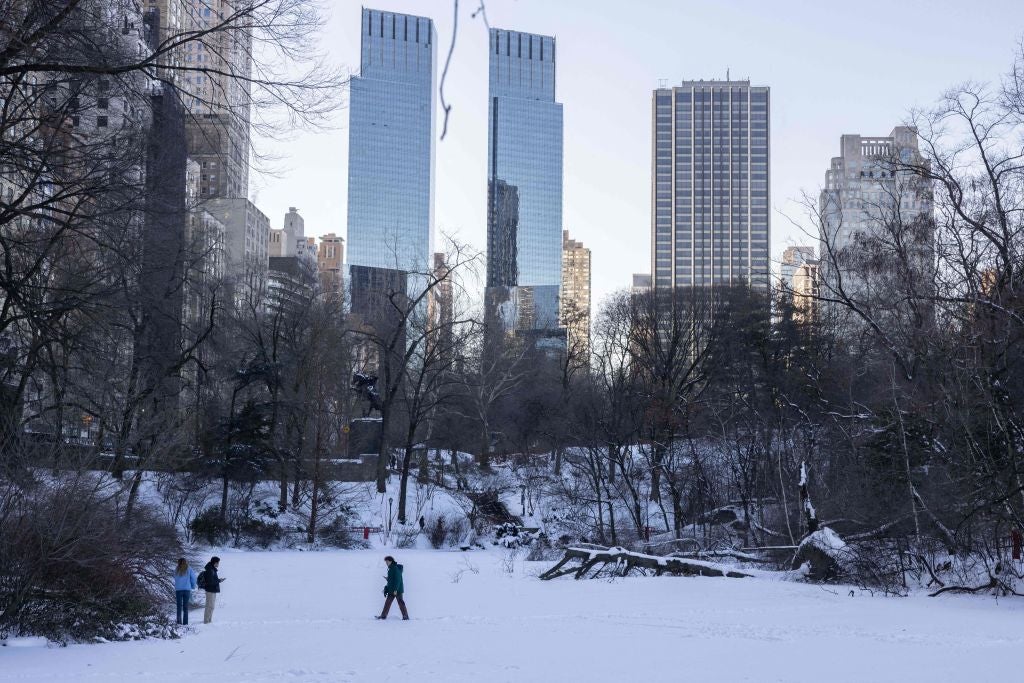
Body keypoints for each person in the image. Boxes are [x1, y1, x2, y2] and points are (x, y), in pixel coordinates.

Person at [375, 555, 409, 620]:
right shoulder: (391, 568)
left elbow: (397, 580)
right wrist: (388, 579)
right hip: (392, 590)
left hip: (397, 590)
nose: (386, 563)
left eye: (387, 562)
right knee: (387, 602)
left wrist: (395, 590)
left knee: (400, 602)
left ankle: (406, 616)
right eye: (386, 562)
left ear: (391, 561)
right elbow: (392, 579)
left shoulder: (395, 568)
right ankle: (383, 616)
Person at [173, 558, 197, 625]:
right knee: (185, 607)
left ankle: (178, 623)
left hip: (178, 590)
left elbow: (175, 577)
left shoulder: (176, 569)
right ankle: (185, 623)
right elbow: (193, 578)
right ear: (185, 562)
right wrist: (192, 586)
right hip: (187, 590)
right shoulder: (189, 569)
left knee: (179, 607)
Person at [202, 556, 226, 624]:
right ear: (215, 563)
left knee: (211, 606)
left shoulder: (212, 569)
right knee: (209, 606)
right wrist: (219, 581)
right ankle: (206, 621)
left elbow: (212, 580)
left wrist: (219, 580)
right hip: (210, 590)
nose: (218, 564)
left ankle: (209, 620)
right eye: (218, 563)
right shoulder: (210, 570)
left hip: (212, 590)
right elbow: (210, 582)